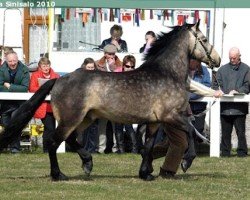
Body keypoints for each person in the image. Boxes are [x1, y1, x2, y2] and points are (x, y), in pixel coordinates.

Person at [213, 47, 249, 157]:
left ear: (239, 56)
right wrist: (217, 90)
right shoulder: (222, 70)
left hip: (239, 108)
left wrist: (238, 91)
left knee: (241, 132)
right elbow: (215, 84)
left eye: (234, 58)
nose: (232, 60)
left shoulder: (247, 69)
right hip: (225, 107)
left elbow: (248, 85)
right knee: (225, 133)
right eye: (230, 58)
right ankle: (225, 152)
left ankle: (242, 152)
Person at [181, 59, 211, 172]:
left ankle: (189, 154)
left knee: (194, 131)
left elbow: (205, 86)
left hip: (198, 107)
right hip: (183, 108)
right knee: (184, 134)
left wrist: (190, 96)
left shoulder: (204, 71)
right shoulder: (183, 71)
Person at [0, 51, 30, 153]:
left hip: (18, 104)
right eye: (10, 61)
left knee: (15, 124)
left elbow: (25, 88)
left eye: (14, 61)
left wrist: (9, 86)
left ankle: (15, 148)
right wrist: (15, 88)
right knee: (6, 125)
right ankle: (7, 146)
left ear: (17, 60)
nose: (12, 63)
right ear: (6, 61)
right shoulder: (1, 69)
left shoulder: (25, 70)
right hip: (5, 105)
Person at [29, 57, 60, 153]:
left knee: (52, 129)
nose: (46, 68)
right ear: (40, 67)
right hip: (42, 107)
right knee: (49, 128)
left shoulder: (56, 75)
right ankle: (47, 149)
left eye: (47, 65)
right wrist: (44, 89)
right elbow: (32, 88)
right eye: (44, 66)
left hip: (53, 106)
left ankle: (49, 148)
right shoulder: (35, 75)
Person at [95, 45, 123, 153]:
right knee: (102, 125)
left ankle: (116, 148)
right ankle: (101, 148)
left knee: (116, 125)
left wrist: (114, 69)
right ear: (105, 54)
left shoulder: (119, 64)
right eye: (110, 54)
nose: (112, 56)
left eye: (113, 54)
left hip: (115, 98)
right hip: (102, 99)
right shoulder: (98, 64)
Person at [114, 55, 138, 154]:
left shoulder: (135, 75)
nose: (130, 69)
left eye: (132, 67)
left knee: (128, 126)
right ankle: (121, 149)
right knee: (118, 127)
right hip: (116, 103)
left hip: (129, 104)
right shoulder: (117, 73)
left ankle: (134, 149)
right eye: (128, 66)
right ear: (123, 66)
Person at [78, 57, 99, 153]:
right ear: (84, 67)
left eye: (92, 68)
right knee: (86, 128)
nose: (90, 70)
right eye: (89, 67)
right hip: (85, 105)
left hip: (96, 105)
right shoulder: (80, 76)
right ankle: (85, 147)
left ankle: (93, 148)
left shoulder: (98, 77)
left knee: (94, 128)